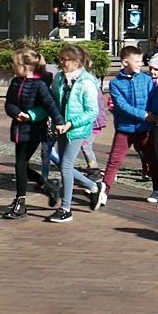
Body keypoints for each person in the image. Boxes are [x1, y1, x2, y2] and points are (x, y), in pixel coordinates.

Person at [102, 45, 158, 203]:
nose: (140, 64)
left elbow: (155, 98)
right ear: (125, 62)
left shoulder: (146, 79)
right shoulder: (115, 83)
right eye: (136, 61)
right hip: (125, 128)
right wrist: (144, 115)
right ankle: (104, 191)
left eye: (141, 61)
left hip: (145, 128)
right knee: (114, 160)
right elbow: (121, 106)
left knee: (152, 159)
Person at [4, 48, 61, 220]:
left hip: (34, 131)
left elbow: (50, 105)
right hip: (19, 129)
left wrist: (59, 122)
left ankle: (20, 202)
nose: (13, 68)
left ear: (25, 66)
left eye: (15, 65)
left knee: (20, 165)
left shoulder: (40, 84)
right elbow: (9, 103)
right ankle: (49, 186)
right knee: (23, 166)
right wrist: (16, 112)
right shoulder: (15, 82)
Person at [50, 44, 103, 220]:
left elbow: (92, 112)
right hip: (61, 127)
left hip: (77, 129)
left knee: (65, 165)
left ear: (76, 62)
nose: (61, 62)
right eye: (60, 59)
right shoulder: (59, 78)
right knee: (63, 164)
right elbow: (54, 100)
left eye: (64, 60)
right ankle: (93, 187)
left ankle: (66, 209)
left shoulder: (86, 82)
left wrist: (71, 123)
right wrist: (54, 118)